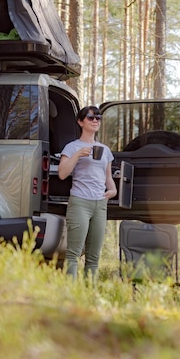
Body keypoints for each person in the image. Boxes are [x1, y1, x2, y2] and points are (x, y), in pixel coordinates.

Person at [58, 106, 117, 280]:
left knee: (94, 257)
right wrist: (77, 155)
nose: (95, 121)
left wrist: (113, 190)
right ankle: (71, 295)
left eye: (98, 118)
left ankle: (89, 295)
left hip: (100, 204)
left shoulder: (104, 149)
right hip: (80, 202)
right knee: (73, 253)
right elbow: (62, 174)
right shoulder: (72, 147)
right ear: (80, 121)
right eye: (91, 118)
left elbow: (107, 177)